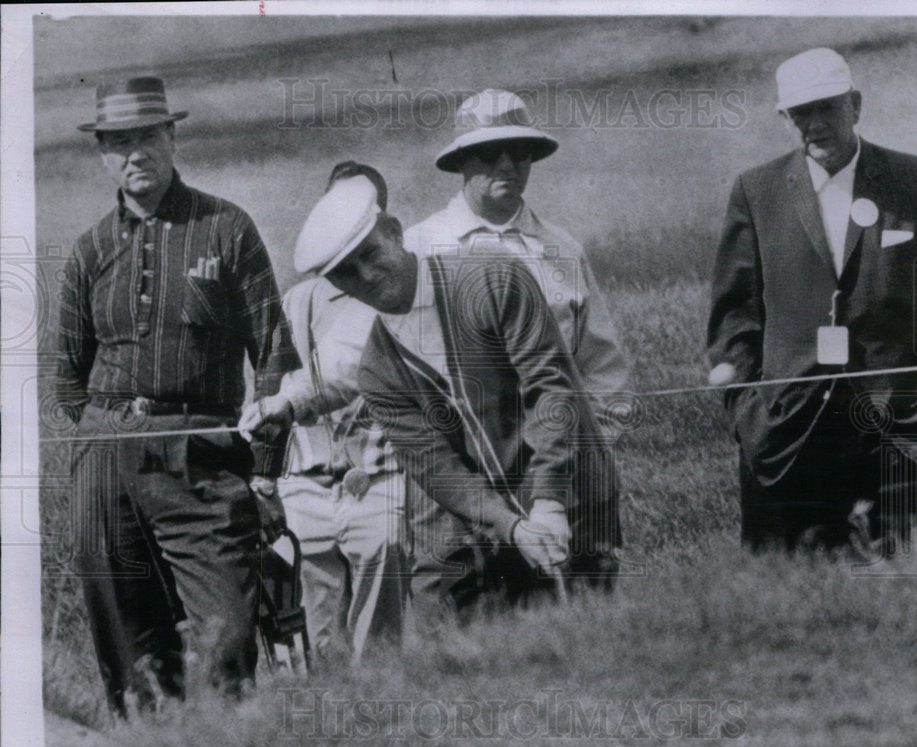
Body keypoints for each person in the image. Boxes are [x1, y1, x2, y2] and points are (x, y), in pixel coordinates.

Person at [54, 77, 300, 716]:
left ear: (172, 137)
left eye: (146, 136)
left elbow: (273, 353)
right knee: (129, 635)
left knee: (228, 633)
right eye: (117, 142)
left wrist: (267, 478)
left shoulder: (227, 228)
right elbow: (68, 379)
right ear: (102, 152)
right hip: (106, 457)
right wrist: (106, 443)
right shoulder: (90, 250)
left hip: (201, 454)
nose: (133, 153)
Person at [292, 172, 618, 617]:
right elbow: (436, 468)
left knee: (595, 648)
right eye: (346, 273)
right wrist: (513, 527)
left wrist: (549, 501)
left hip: (574, 499)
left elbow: (550, 392)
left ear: (394, 231)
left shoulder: (491, 278)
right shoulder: (376, 370)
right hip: (493, 527)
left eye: (370, 254)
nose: (365, 276)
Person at [707, 48, 917, 555]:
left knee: (912, 585)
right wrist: (747, 416)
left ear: (855, 105)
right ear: (786, 118)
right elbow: (734, 318)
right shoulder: (756, 191)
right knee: (791, 601)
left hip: (905, 431)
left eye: (826, 108)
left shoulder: (916, 182)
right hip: (787, 438)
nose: (814, 124)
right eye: (800, 113)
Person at [403, 89, 627, 605]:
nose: (507, 164)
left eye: (519, 151)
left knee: (579, 625)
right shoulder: (422, 247)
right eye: (488, 152)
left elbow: (602, 366)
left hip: (563, 479)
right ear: (461, 161)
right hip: (463, 491)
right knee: (466, 636)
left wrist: (589, 450)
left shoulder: (561, 249)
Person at [238, 162, 409, 662]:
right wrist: (264, 478)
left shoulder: (393, 295)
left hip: (381, 473)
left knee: (383, 569)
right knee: (312, 607)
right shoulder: (299, 301)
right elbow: (272, 384)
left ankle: (381, 694)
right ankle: (325, 702)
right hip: (308, 480)